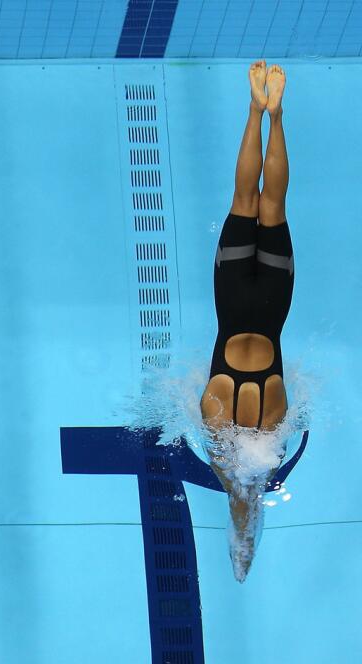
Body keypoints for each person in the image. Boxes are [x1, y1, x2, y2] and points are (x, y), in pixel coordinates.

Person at [199, 60, 292, 581]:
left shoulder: (273, 415)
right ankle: (257, 110)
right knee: (243, 201)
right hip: (233, 302)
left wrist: (244, 548)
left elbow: (246, 496)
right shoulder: (214, 410)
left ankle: (276, 116)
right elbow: (237, 491)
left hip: (273, 304)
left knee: (272, 206)